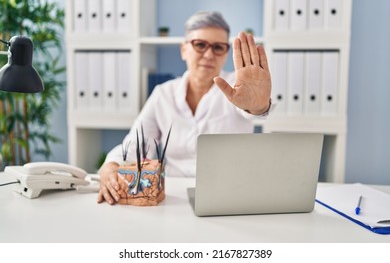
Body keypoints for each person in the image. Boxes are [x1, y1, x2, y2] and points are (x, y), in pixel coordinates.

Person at [98, 11, 272, 205]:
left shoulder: (240, 87)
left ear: (226, 53)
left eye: (218, 47)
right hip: (175, 197)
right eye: (200, 45)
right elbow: (135, 144)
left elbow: (254, 109)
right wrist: (110, 166)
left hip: (231, 196)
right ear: (183, 50)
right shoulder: (162, 94)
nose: (208, 54)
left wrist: (258, 106)